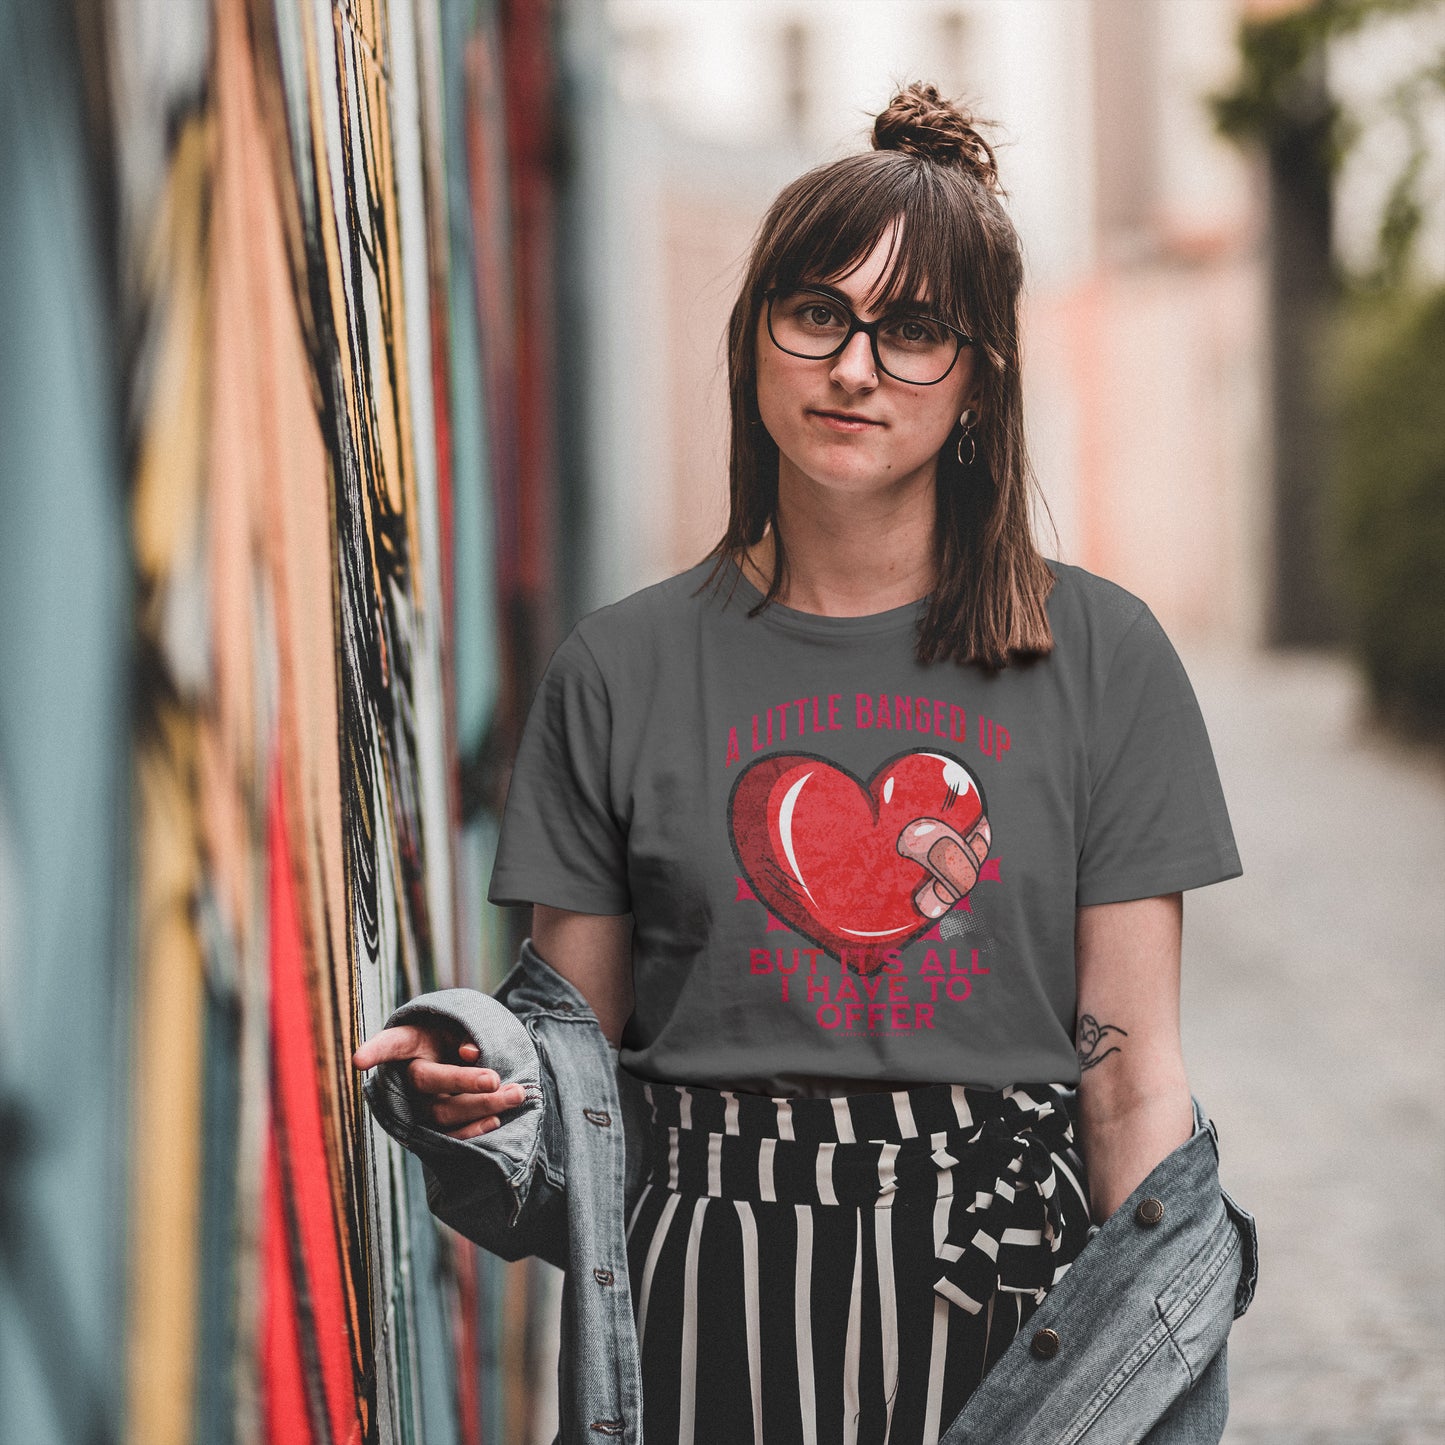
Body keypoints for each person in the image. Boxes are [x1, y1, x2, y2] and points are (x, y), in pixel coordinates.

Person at [354, 81, 1249, 1444]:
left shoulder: (1104, 658)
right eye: (817, 313)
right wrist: (476, 1075)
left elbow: (1129, 1084)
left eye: (914, 331)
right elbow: (573, 1069)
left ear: (980, 379)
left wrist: (1151, 1374)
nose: (854, 367)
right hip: (700, 1302)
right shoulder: (620, 671)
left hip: (1012, 1309)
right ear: (755, 338)